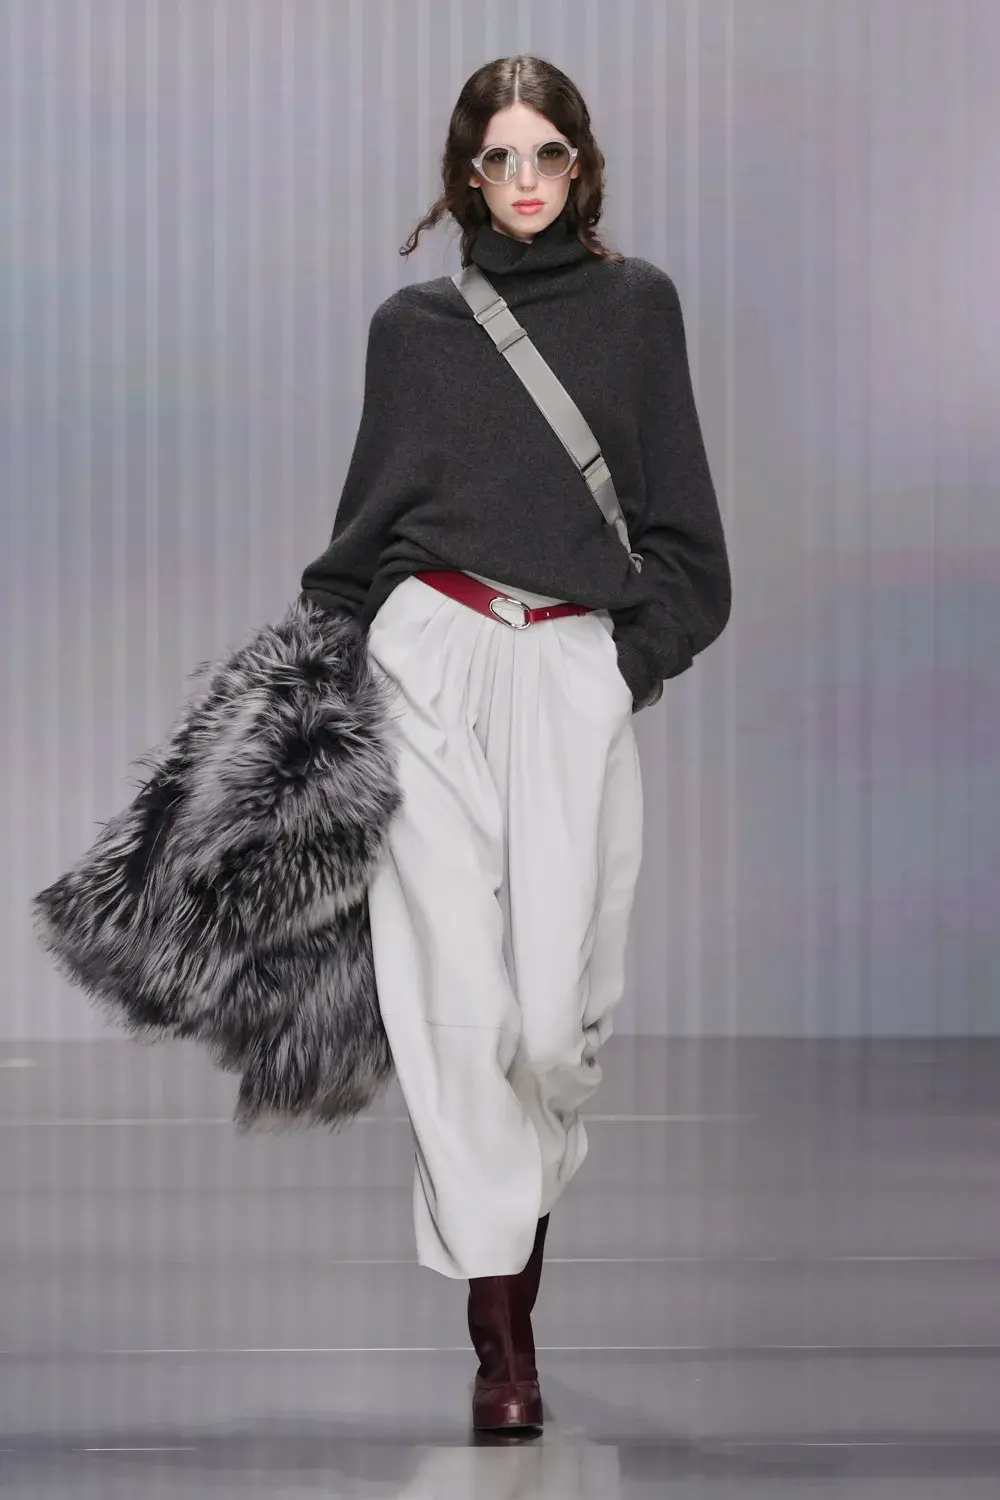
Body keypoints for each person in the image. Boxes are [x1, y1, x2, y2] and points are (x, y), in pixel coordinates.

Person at [298, 54, 731, 1434]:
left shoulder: (638, 308)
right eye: (501, 157)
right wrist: (321, 700)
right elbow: (360, 540)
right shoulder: (411, 331)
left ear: (581, 164)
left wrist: (619, 665)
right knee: (456, 1007)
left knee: (552, 1025)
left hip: (567, 670)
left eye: (549, 153)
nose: (527, 179)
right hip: (428, 661)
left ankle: (509, 1240)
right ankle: (504, 1340)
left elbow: (688, 544)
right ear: (466, 176)